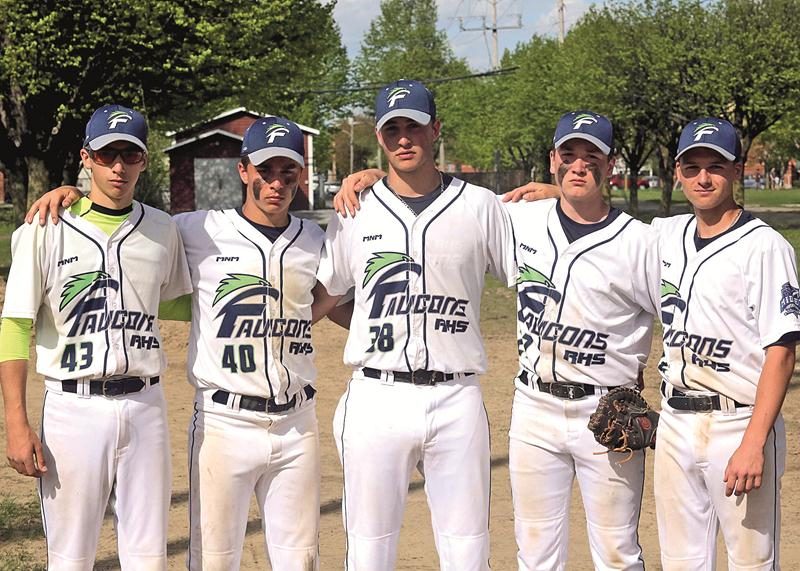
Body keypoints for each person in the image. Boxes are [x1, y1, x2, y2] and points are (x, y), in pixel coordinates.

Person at [334, 111, 661, 570]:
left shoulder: (643, 240)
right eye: (569, 156)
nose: (579, 166)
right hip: (534, 408)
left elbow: (682, 320)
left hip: (605, 407)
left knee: (618, 552)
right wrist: (370, 175)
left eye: (593, 157)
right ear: (553, 161)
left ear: (611, 166)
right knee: (535, 553)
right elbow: (419, 188)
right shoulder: (519, 218)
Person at [25, 116, 352, 570]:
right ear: (244, 170)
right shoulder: (196, 229)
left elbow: (332, 301)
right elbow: (124, 220)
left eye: (288, 173)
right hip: (223, 420)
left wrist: (369, 179)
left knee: (300, 560)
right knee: (212, 560)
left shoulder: (316, 239)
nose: (276, 183)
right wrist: (75, 195)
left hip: (298, 421)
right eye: (265, 170)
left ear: (300, 175)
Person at [311, 79, 518, 570]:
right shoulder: (353, 211)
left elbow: (530, 268)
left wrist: (559, 188)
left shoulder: (479, 205)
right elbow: (327, 296)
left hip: (456, 396)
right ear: (380, 137)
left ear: (435, 130)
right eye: (392, 129)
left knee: (468, 551)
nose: (404, 138)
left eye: (415, 127)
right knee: (368, 550)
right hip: (376, 395)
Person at [0, 104, 193, 569]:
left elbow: (168, 302)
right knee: (71, 557)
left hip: (146, 405)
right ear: (87, 158)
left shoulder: (162, 228)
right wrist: (15, 422)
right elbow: (15, 325)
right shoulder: (43, 227)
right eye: (108, 155)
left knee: (148, 557)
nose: (119, 166)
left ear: (145, 160)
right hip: (73, 408)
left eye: (131, 154)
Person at [652, 117, 799, 569]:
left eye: (715, 165)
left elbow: (783, 350)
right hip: (674, 420)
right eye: (691, 166)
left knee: (751, 561)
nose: (703, 177)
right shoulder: (666, 234)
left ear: (736, 171)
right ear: (677, 171)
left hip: (738, 423)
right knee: (681, 560)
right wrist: (557, 191)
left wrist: (755, 442)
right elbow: (603, 223)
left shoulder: (765, 247)